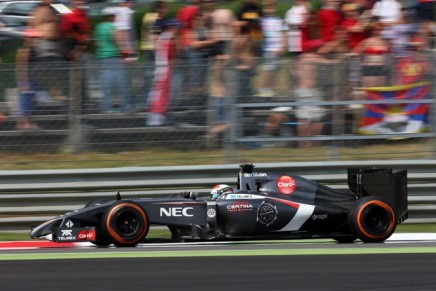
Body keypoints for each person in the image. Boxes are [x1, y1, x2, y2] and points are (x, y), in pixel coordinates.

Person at [94, 7, 134, 113]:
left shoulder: (98, 27)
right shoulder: (113, 27)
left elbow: (97, 43)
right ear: (111, 17)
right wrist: (127, 53)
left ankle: (106, 107)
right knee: (122, 83)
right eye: (115, 16)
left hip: (103, 58)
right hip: (114, 57)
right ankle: (127, 106)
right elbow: (119, 42)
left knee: (106, 84)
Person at [147, 19, 180, 126]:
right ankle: (156, 116)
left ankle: (160, 115)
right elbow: (171, 55)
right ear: (170, 27)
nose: (177, 30)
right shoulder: (168, 38)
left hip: (162, 67)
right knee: (161, 92)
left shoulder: (164, 37)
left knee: (161, 91)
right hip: (164, 68)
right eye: (175, 27)